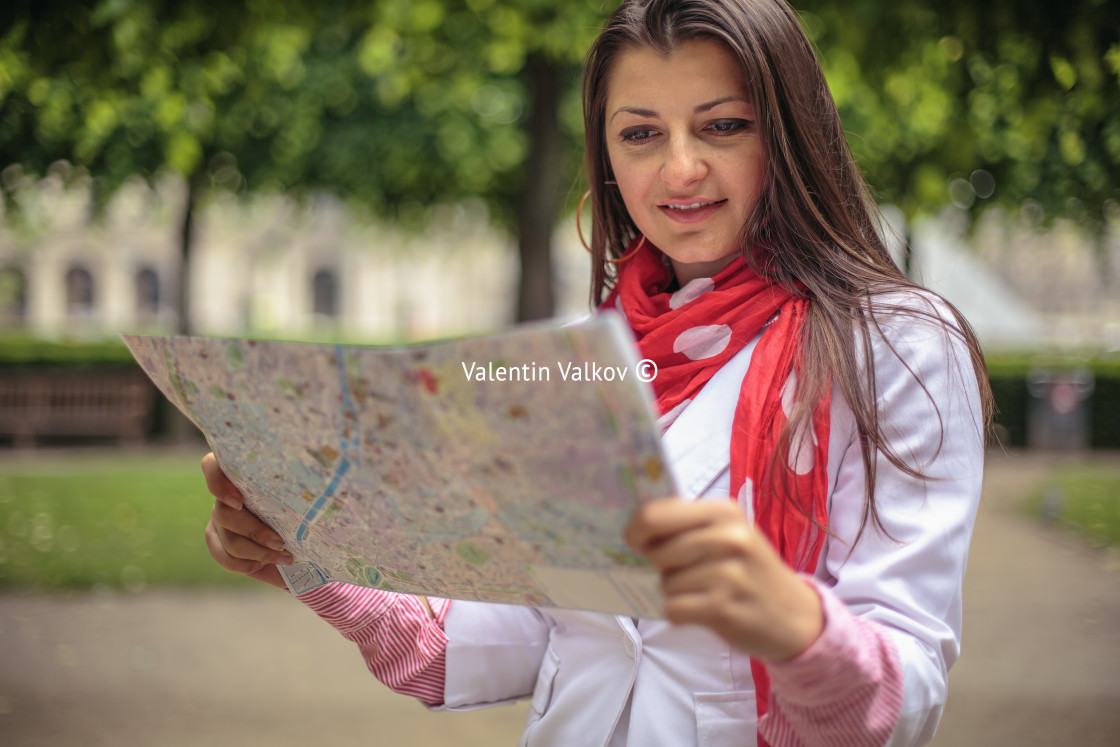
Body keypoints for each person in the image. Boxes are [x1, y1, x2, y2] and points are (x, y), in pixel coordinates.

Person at [202, 1, 991, 745]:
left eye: (722, 126)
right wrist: (307, 555)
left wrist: (794, 624)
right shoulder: (582, 351)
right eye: (641, 134)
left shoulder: (897, 346)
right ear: (606, 155)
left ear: (790, 135)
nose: (681, 168)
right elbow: (495, 645)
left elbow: (902, 700)